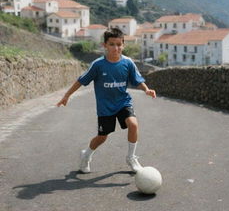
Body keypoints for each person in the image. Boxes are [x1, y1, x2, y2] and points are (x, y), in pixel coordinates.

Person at [57, 27, 156, 173]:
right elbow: (81, 81)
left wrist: (146, 89)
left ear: (123, 45)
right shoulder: (98, 65)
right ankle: (86, 155)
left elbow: (137, 80)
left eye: (119, 44)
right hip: (105, 108)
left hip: (123, 102)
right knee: (102, 137)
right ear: (105, 45)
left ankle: (131, 158)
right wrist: (66, 95)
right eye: (112, 44)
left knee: (133, 124)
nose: (116, 48)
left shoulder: (128, 63)